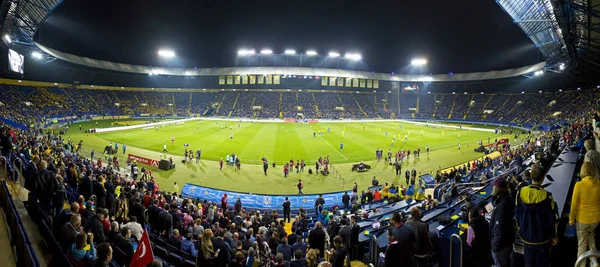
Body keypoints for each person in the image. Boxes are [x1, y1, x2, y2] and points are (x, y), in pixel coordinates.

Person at [515, 166, 557, 267]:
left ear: (531, 177)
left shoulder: (520, 193)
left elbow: (517, 216)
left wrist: (521, 230)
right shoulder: (547, 196)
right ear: (543, 178)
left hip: (527, 238)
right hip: (543, 239)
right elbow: (551, 220)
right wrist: (553, 236)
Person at [569, 162, 600, 266]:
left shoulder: (579, 185)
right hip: (595, 219)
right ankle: (594, 260)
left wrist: (571, 220)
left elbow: (574, 205)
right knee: (590, 234)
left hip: (582, 220)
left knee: (582, 244)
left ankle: (581, 264)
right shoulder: (599, 184)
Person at [489, 178, 515, 267]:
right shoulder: (508, 198)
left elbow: (499, 227)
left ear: (497, 189)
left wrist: (495, 246)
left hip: (501, 246)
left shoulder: (502, 205)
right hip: (507, 240)